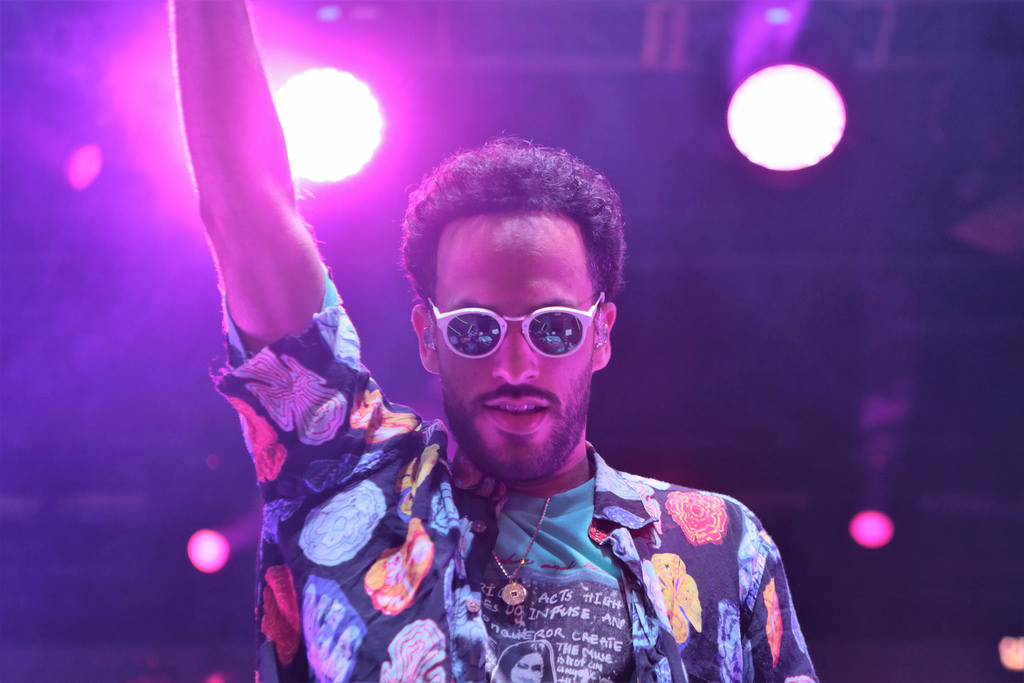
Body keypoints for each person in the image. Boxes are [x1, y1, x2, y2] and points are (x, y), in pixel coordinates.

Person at [172, 1, 819, 682]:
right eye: (476, 329)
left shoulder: (717, 545)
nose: (516, 365)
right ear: (429, 337)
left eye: (553, 328)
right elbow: (247, 211)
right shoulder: (352, 491)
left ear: (600, 335)